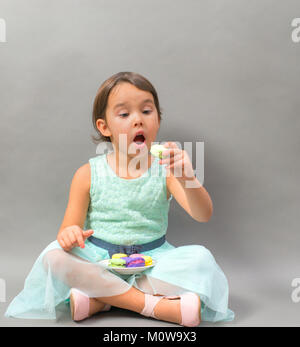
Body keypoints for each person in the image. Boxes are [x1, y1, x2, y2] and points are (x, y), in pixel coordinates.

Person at [4, 71, 234, 326]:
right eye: (124, 114)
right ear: (105, 127)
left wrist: (188, 177)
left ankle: (104, 299)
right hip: (100, 261)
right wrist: (70, 234)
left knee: (201, 259)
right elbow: (68, 230)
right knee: (54, 256)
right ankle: (152, 305)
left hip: (153, 262)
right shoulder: (87, 174)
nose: (138, 120)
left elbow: (203, 214)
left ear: (158, 119)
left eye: (147, 111)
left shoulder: (166, 170)